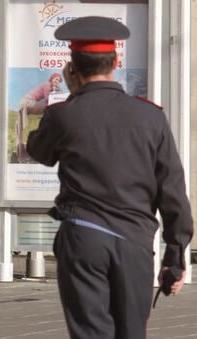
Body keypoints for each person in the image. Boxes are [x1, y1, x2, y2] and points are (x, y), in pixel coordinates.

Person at [27, 16, 193, 339]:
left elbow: (40, 152)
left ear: (71, 67)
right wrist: (175, 258)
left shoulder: (63, 115)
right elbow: (173, 191)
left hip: (83, 239)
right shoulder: (150, 117)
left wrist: (74, 97)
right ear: (117, 62)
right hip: (134, 242)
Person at [15, 73, 62, 163]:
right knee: (51, 106)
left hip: (29, 104)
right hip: (27, 102)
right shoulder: (47, 85)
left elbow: (57, 97)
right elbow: (49, 99)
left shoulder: (55, 88)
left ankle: (23, 152)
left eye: (59, 81)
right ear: (51, 80)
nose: (57, 82)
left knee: (53, 107)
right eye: (55, 79)